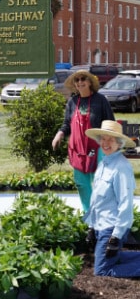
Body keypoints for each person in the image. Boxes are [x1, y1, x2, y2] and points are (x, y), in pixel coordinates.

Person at [52, 69, 114, 212]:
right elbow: (67, 124)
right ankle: (89, 214)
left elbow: (110, 123)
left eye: (83, 79)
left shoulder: (101, 100)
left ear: (90, 82)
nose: (80, 82)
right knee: (81, 184)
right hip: (77, 149)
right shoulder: (72, 102)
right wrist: (59, 134)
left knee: (100, 183)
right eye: (77, 80)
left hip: (97, 148)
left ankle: (104, 214)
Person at [83, 120, 140, 277]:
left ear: (119, 143)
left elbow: (126, 204)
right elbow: (97, 201)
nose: (105, 143)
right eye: (103, 138)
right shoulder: (104, 163)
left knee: (102, 270)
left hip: (112, 227)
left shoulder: (121, 167)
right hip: (101, 225)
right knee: (110, 260)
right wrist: (92, 227)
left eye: (111, 139)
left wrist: (116, 236)